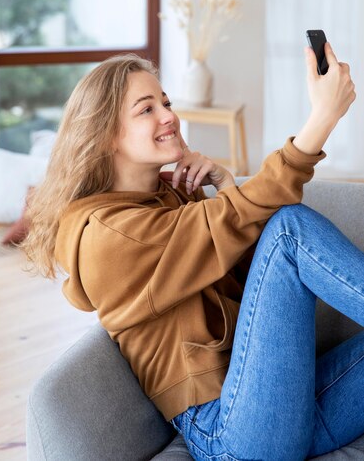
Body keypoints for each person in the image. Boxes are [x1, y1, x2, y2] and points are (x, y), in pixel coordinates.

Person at [23, 43, 364, 461]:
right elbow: (272, 242)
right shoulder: (109, 235)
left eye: (165, 102)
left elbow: (257, 285)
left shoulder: (166, 199)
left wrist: (224, 188)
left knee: (284, 232)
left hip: (281, 412)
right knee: (290, 231)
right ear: (105, 134)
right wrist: (322, 118)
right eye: (146, 109)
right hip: (232, 434)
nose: (169, 115)